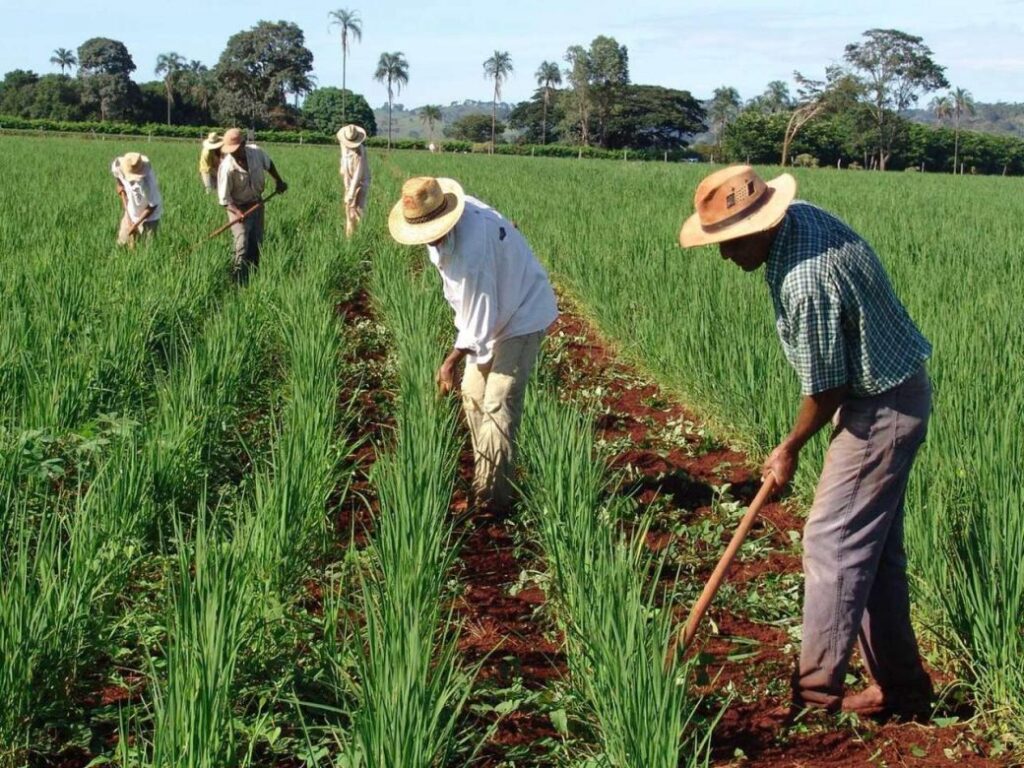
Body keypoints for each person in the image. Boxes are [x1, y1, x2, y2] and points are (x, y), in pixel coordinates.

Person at [679, 165, 934, 720]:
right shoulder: (801, 221)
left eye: (728, 243)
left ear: (760, 226)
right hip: (889, 392)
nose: (723, 256)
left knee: (832, 542)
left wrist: (791, 445)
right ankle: (904, 691)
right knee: (873, 555)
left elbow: (828, 386)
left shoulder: (805, 277)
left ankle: (814, 697)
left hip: (880, 408)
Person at [388, 177, 558, 516]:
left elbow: (479, 322)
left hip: (522, 312)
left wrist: (449, 362)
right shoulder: (447, 216)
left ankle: (491, 500)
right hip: (495, 307)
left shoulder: (471, 254)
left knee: (498, 402)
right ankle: (490, 475)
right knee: (472, 395)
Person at [217, 128, 288, 284]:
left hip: (257, 203)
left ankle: (253, 276)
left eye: (236, 149)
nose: (234, 153)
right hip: (237, 207)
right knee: (241, 243)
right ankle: (236, 279)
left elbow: (269, 165)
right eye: (231, 151)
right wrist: (237, 213)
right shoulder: (227, 167)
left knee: (256, 242)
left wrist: (279, 181)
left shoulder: (256, 153)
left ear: (243, 144)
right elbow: (225, 199)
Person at [111, 152, 162, 247]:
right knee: (122, 241)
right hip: (131, 209)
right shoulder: (118, 166)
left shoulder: (149, 183)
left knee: (147, 246)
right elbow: (119, 181)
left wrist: (135, 225)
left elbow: (152, 205)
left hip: (150, 216)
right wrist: (120, 187)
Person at [337, 124, 370, 237]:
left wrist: (351, 193)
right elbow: (345, 169)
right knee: (349, 211)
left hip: (361, 183)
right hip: (349, 182)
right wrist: (347, 188)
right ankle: (349, 237)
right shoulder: (344, 148)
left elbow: (358, 175)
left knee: (358, 210)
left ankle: (360, 236)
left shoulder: (360, 152)